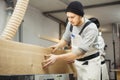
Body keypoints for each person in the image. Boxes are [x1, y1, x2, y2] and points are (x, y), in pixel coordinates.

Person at [42, 1, 101, 80]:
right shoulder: (70, 24)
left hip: (91, 64)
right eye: (68, 17)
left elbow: (79, 52)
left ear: (80, 16)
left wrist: (57, 57)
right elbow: (65, 40)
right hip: (78, 62)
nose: (70, 20)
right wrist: (58, 45)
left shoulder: (91, 28)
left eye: (72, 17)